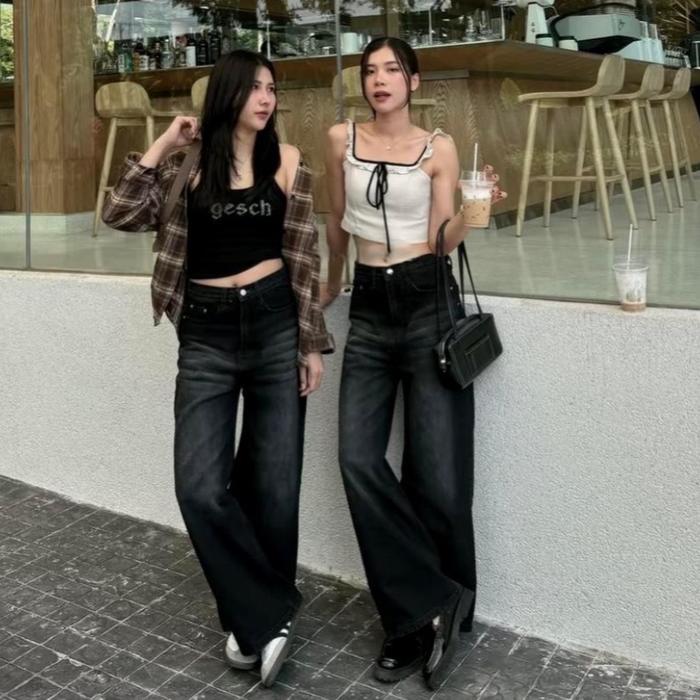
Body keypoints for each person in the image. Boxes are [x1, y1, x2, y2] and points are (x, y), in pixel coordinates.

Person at [102, 50, 334, 687]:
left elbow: (304, 256)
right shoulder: (189, 165)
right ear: (229, 94)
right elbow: (120, 213)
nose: (266, 98)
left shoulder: (288, 161)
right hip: (205, 333)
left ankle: (255, 623)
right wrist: (162, 144)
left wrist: (311, 344)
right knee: (200, 487)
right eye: (254, 87)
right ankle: (268, 614)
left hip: (274, 323)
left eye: (272, 88)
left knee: (275, 485)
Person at [323, 37, 505, 689]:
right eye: (370, 71)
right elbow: (337, 223)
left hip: (429, 302)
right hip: (369, 308)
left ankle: (431, 617)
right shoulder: (339, 139)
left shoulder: (439, 147)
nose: (379, 80)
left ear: (413, 81)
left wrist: (474, 215)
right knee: (357, 459)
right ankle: (425, 603)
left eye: (392, 70)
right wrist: (326, 290)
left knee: (440, 480)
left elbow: (440, 237)